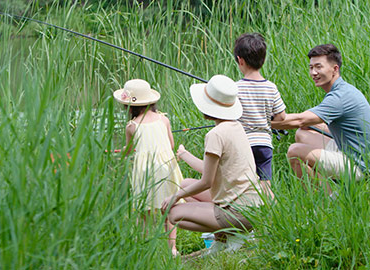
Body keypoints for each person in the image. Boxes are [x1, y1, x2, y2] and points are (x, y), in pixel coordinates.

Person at [161, 74, 266, 255]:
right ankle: (223, 241)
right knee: (185, 183)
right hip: (254, 207)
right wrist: (184, 154)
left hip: (238, 213)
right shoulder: (235, 126)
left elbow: (206, 181)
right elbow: (212, 171)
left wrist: (175, 196)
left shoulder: (215, 135)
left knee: (174, 214)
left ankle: (233, 236)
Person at [271, 44, 370, 192]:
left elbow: (300, 119)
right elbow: (306, 123)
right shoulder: (344, 89)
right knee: (302, 133)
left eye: (318, 67)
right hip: (353, 151)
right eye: (311, 67)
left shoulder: (340, 97)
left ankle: (330, 199)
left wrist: (264, 122)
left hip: (360, 165)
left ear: (335, 69)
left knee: (294, 151)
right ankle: (334, 188)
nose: (313, 72)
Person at [113, 79, 183, 257]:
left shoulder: (132, 126)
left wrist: (117, 152)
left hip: (145, 170)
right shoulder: (163, 119)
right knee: (168, 209)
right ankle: (172, 249)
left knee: (144, 211)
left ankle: (144, 248)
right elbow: (171, 144)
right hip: (166, 165)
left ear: (130, 107)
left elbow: (129, 151)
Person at [233, 33, 286, 197]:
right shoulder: (271, 87)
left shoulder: (236, 88)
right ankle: (269, 213)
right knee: (265, 184)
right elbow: (282, 117)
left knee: (244, 185)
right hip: (264, 144)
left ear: (240, 60)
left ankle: (245, 213)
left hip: (243, 143)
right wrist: (268, 121)